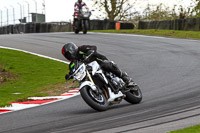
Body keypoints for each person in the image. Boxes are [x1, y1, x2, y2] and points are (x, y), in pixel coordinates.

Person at [61, 42, 135, 90]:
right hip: (90, 71)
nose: (69, 56)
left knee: (106, 65)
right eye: (67, 55)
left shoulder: (81, 49)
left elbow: (93, 47)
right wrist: (69, 74)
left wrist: (90, 51)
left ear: (72, 49)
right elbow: (73, 69)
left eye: (69, 53)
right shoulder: (73, 62)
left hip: (99, 61)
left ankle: (126, 78)